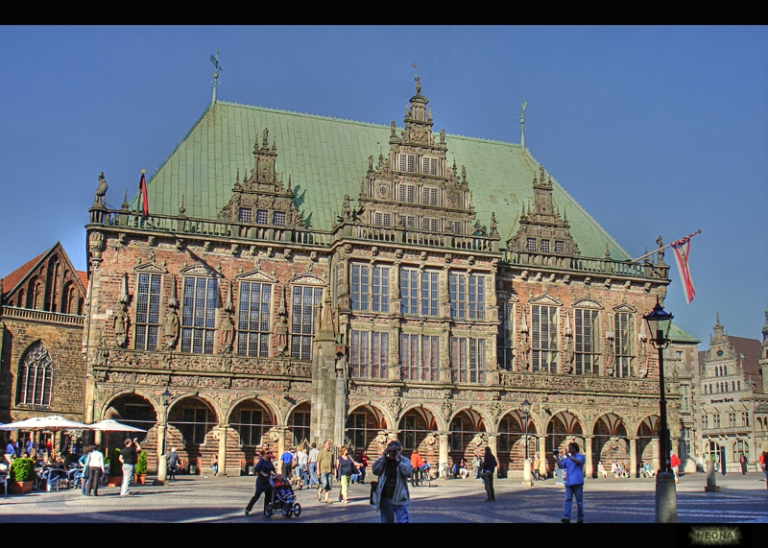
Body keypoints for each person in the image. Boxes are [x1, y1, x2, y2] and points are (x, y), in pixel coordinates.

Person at [372, 440, 413, 523]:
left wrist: (398, 461)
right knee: (386, 521)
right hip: (386, 498)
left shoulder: (404, 460)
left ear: (399, 451)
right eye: (389, 451)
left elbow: (408, 473)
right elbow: (375, 470)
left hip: (400, 497)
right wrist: (383, 456)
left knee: (403, 521)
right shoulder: (384, 461)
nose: (391, 453)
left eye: (394, 451)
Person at [559, 442, 586, 523]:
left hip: (577, 481)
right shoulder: (567, 459)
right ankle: (566, 517)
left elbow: (578, 462)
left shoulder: (581, 457)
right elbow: (560, 465)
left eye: (570, 448)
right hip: (569, 482)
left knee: (579, 501)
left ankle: (580, 518)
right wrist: (557, 457)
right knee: (568, 500)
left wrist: (569, 457)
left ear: (574, 449)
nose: (569, 449)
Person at [244, 451, 276, 516]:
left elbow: (273, 468)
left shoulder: (269, 461)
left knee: (268, 496)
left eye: (269, 453)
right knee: (257, 496)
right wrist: (263, 474)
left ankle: (266, 511)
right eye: (267, 453)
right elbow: (256, 468)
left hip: (267, 481)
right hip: (261, 481)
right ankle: (248, 508)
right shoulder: (262, 460)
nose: (269, 454)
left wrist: (276, 474)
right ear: (264, 454)